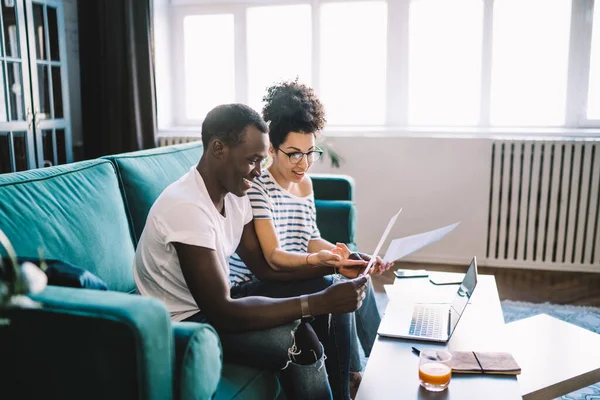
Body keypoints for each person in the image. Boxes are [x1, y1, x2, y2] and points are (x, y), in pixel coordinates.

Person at [133, 103, 369, 400]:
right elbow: (223, 312)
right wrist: (315, 303)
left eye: (261, 160)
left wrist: (334, 266)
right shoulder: (186, 207)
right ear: (218, 148)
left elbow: (263, 268)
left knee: (332, 286)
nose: (259, 172)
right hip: (184, 324)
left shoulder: (235, 194)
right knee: (300, 340)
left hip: (221, 301)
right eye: (252, 161)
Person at [228, 79, 393, 391]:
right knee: (335, 285)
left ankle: (374, 365)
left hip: (290, 274)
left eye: (310, 152)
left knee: (358, 275)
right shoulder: (258, 187)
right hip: (253, 286)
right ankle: (348, 383)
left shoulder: (305, 185)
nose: (303, 163)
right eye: (293, 154)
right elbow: (273, 255)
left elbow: (310, 237)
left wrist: (345, 256)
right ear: (271, 150)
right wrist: (322, 261)